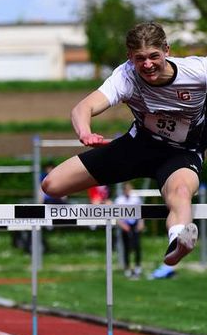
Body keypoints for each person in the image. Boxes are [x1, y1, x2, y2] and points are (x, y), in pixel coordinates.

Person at [42, 21, 204, 267]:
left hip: (181, 154)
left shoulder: (198, 72)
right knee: (52, 185)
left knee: (180, 193)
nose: (147, 65)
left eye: (153, 56)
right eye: (140, 59)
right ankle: (179, 235)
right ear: (130, 57)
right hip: (137, 146)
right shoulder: (126, 76)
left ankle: (179, 239)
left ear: (167, 51)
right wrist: (85, 132)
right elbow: (83, 107)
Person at [114, 182, 144, 278]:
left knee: (137, 246)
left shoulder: (135, 199)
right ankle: (127, 268)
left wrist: (141, 223)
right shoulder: (119, 200)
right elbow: (116, 216)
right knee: (126, 248)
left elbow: (141, 211)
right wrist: (123, 225)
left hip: (134, 224)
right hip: (125, 225)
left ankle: (137, 267)